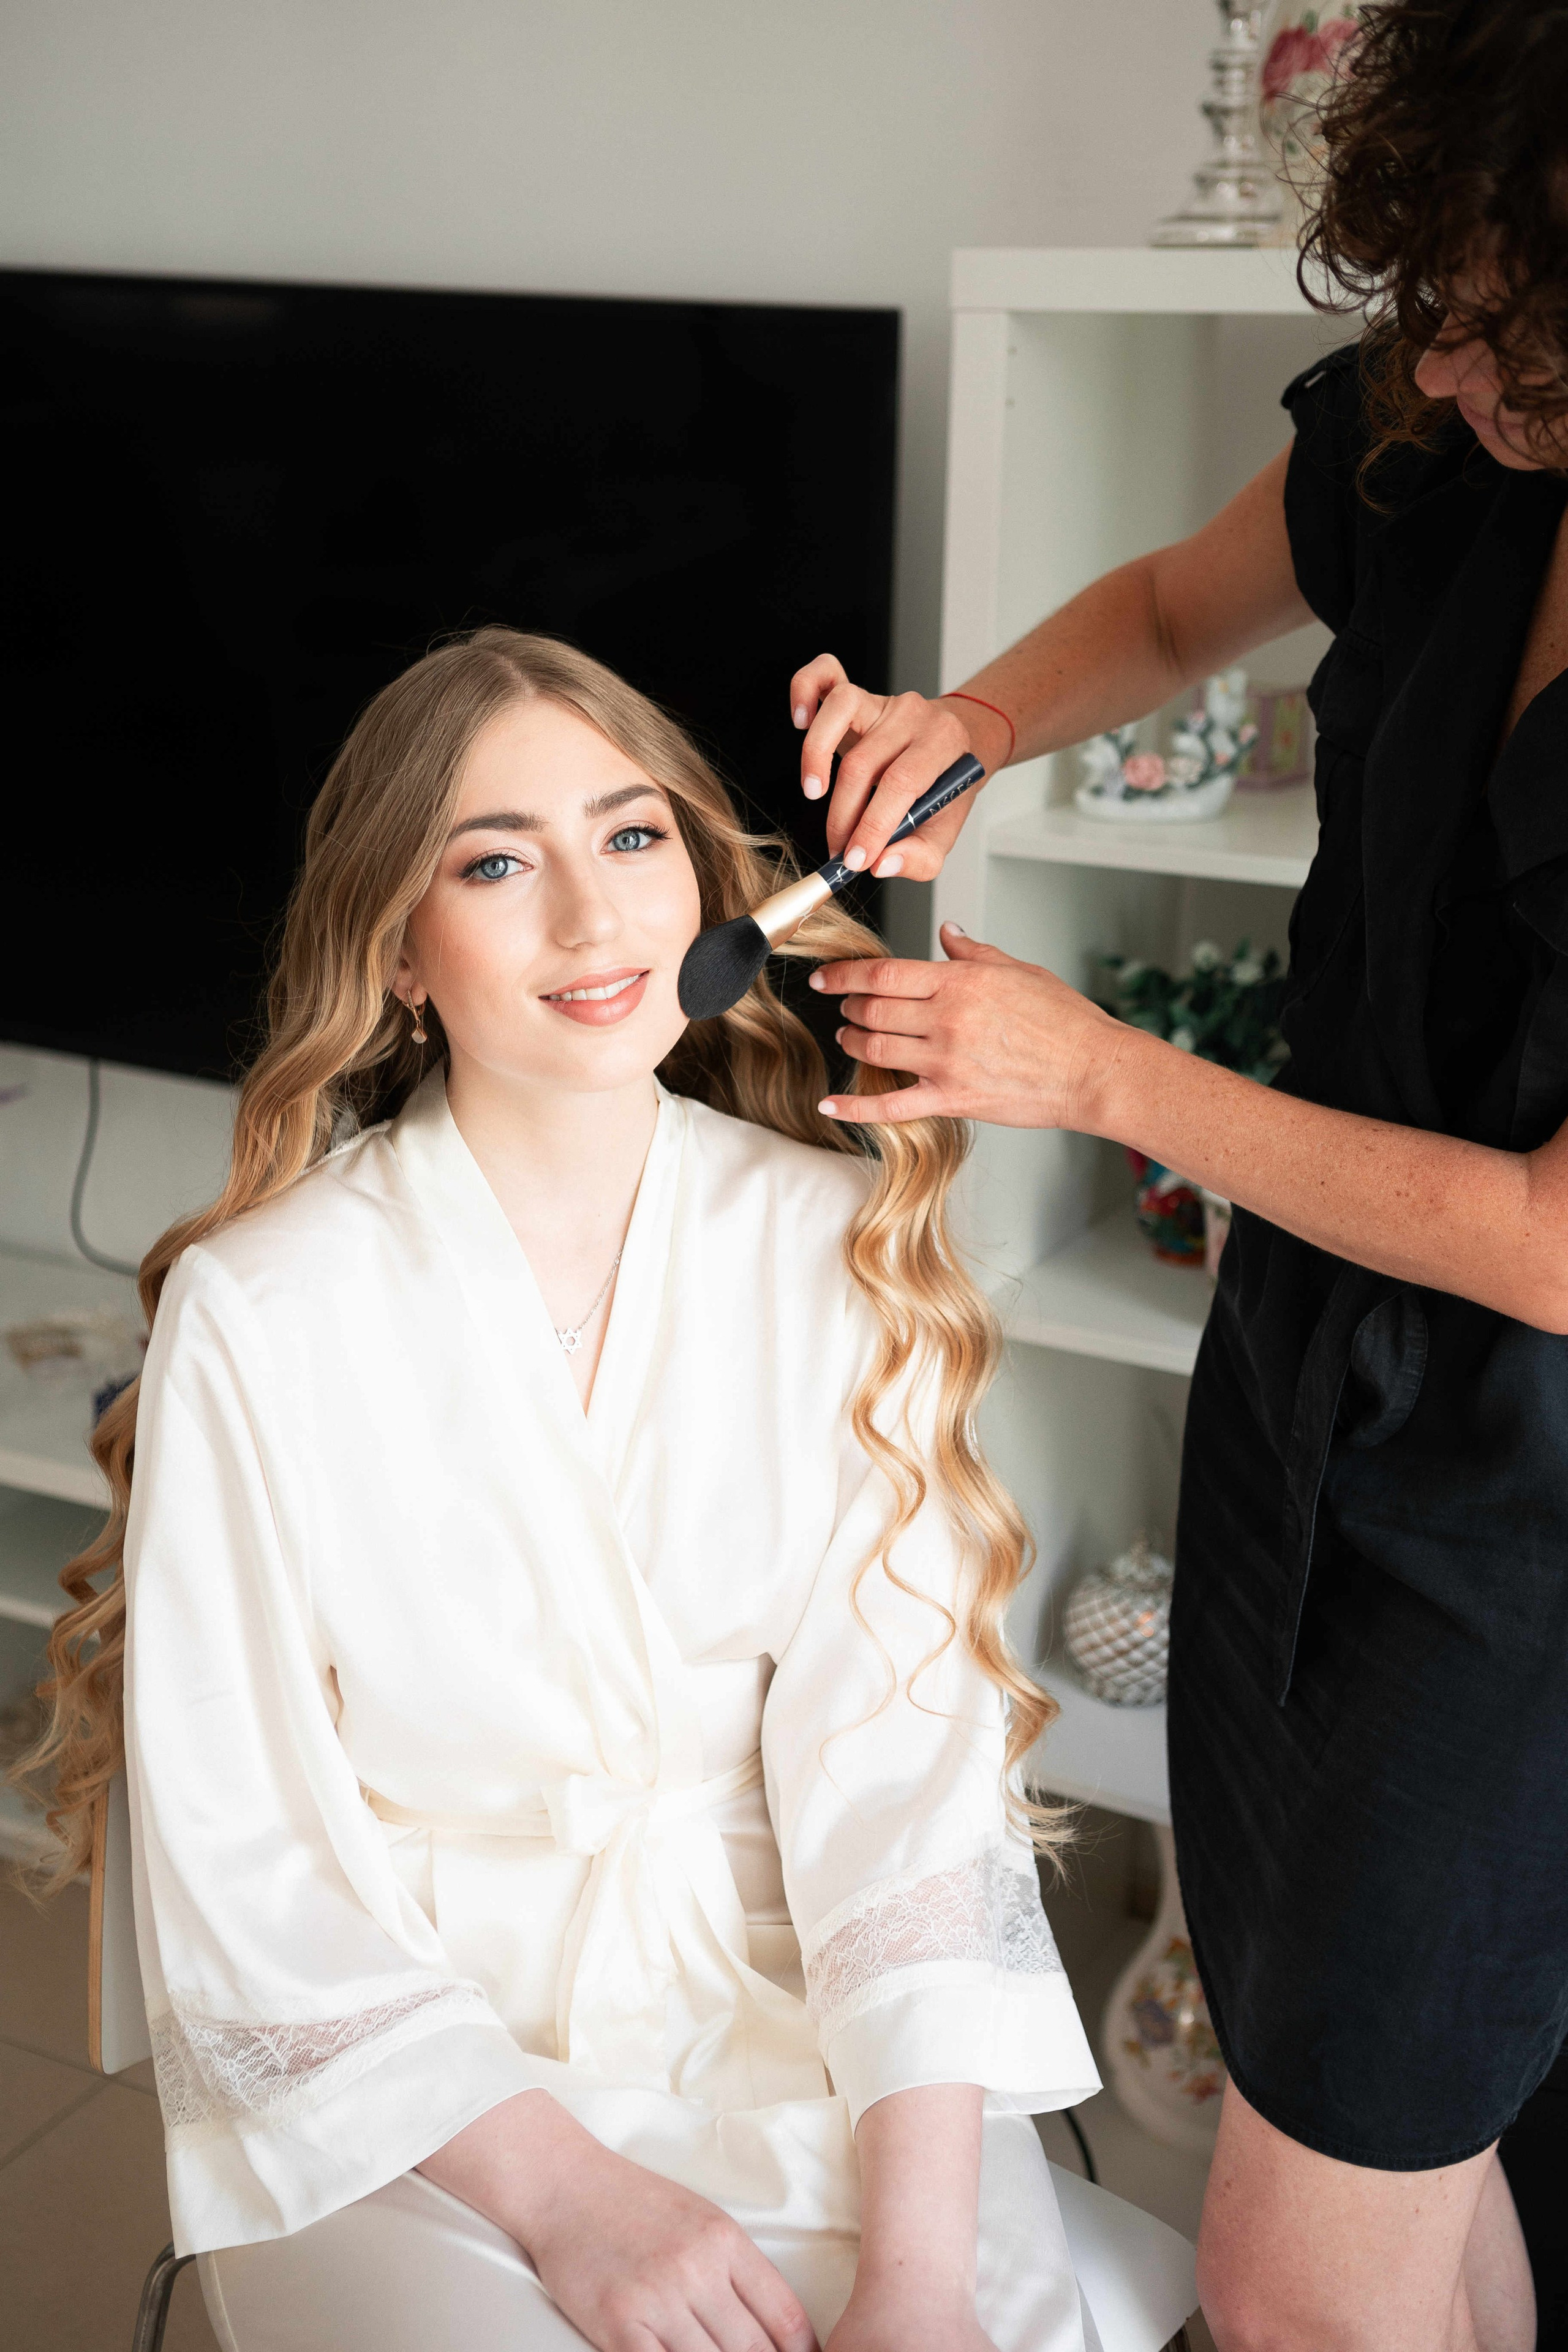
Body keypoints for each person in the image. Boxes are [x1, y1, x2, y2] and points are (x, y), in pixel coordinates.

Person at [20, 629, 1104, 2352]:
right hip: (429, 2083)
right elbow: (250, 1851)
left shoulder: (831, 1240)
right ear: (397, 948)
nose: (594, 922)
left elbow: (903, 1782)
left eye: (632, 836)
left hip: (810, 2012)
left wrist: (919, 2272)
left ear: (705, 880)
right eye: (498, 862)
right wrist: (574, 2198)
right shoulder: (264, 1312)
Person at [788, 6, 1568, 2347]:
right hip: (1300, 1375)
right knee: (1390, 2132)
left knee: (1304, 2260)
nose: (1438, 378)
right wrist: (975, 725)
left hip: (1523, 1521)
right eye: (1429, 310)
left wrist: (1105, 1075)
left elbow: (1554, 1236)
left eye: (1512, 343)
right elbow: (1156, 612)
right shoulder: (1448, 447)